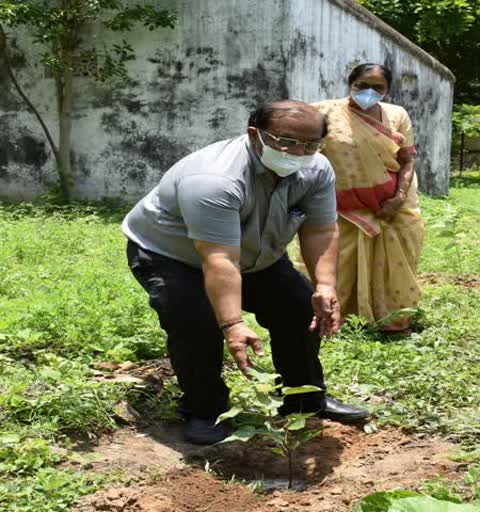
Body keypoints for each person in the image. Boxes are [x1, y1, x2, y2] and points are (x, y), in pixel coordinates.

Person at [122, 101, 369, 445]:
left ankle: (304, 399)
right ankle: (204, 410)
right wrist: (233, 323)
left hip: (258, 254)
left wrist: (325, 285)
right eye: (285, 141)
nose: (298, 152)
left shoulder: (317, 168)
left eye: (310, 144)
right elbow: (219, 259)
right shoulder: (214, 179)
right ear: (255, 135)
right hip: (176, 256)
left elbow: (320, 230)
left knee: (299, 308)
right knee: (196, 321)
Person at [312, 64, 424, 332]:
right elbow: (309, 157)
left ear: (387, 90)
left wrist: (398, 198)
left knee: (397, 260)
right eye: (363, 85)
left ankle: (393, 318)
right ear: (350, 83)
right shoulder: (323, 112)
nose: (369, 92)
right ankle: (340, 319)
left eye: (378, 87)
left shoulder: (397, 115)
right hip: (342, 208)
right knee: (341, 261)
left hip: (393, 207)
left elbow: (407, 159)